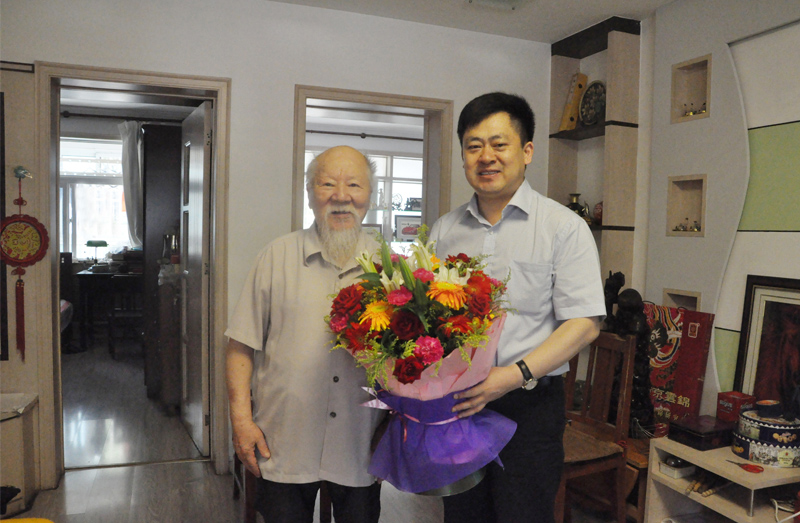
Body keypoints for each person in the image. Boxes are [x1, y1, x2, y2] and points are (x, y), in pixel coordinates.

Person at [429, 92, 606, 523]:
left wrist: (512, 375)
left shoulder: (563, 227)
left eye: (499, 144)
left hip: (530, 407)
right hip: (459, 406)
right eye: (473, 146)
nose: (486, 157)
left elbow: (584, 323)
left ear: (526, 151)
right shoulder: (445, 230)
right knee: (462, 515)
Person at [225, 145, 384, 523]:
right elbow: (240, 345)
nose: (341, 196)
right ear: (310, 193)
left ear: (370, 196)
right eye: (327, 184)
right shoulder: (275, 256)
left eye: (354, 185)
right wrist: (241, 422)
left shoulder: (391, 267)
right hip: (283, 440)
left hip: (361, 441)